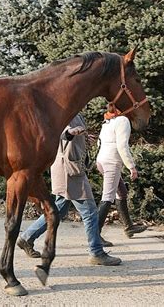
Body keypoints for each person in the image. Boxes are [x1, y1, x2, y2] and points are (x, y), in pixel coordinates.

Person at [17, 114, 121, 266]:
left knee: (58, 210)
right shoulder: (63, 110)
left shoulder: (76, 111)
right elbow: (55, 132)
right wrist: (70, 133)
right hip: (69, 170)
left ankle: (27, 237)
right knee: (90, 211)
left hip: (70, 168)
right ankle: (96, 252)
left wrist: (85, 138)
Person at [96, 106, 146, 247]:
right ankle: (95, 235)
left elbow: (99, 142)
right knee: (108, 197)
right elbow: (122, 146)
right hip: (111, 162)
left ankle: (129, 226)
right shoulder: (123, 120)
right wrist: (131, 167)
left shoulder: (107, 121)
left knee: (122, 192)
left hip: (102, 160)